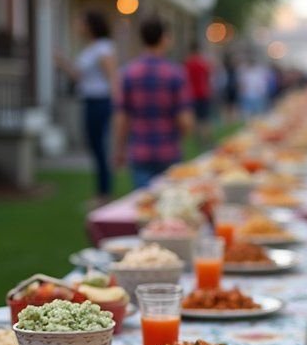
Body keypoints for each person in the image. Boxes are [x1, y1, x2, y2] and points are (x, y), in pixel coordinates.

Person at [114, 16, 193, 189]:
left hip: (140, 149)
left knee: (145, 205)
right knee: (169, 207)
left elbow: (122, 116)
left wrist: (119, 149)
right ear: (165, 38)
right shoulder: (175, 74)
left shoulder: (129, 73)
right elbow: (185, 120)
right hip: (168, 149)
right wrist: (183, 134)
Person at [56, 12, 117, 203]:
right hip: (90, 100)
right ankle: (101, 192)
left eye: (81, 23)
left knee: (100, 147)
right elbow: (79, 76)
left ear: (91, 25)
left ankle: (104, 193)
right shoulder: (89, 49)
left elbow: (112, 77)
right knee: (94, 146)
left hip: (101, 101)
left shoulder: (103, 48)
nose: (77, 27)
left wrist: (118, 105)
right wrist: (63, 63)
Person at [184, 38, 213, 138]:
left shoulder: (188, 63)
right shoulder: (203, 63)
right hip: (203, 93)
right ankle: (205, 137)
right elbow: (208, 77)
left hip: (191, 94)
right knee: (204, 118)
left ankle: (197, 138)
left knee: (194, 118)